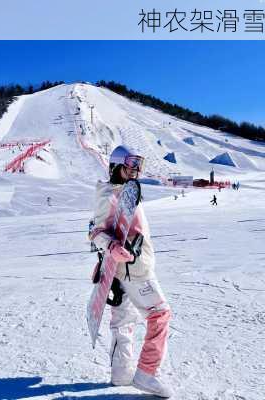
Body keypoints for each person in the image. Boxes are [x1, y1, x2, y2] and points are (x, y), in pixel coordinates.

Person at [90, 145, 173, 398]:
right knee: (159, 315)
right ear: (116, 166)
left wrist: (112, 252)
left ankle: (121, 373)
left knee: (124, 320)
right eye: (131, 164)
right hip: (134, 270)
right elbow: (94, 233)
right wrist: (112, 246)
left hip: (120, 270)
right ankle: (147, 373)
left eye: (139, 165)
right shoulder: (110, 195)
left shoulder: (125, 192)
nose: (136, 170)